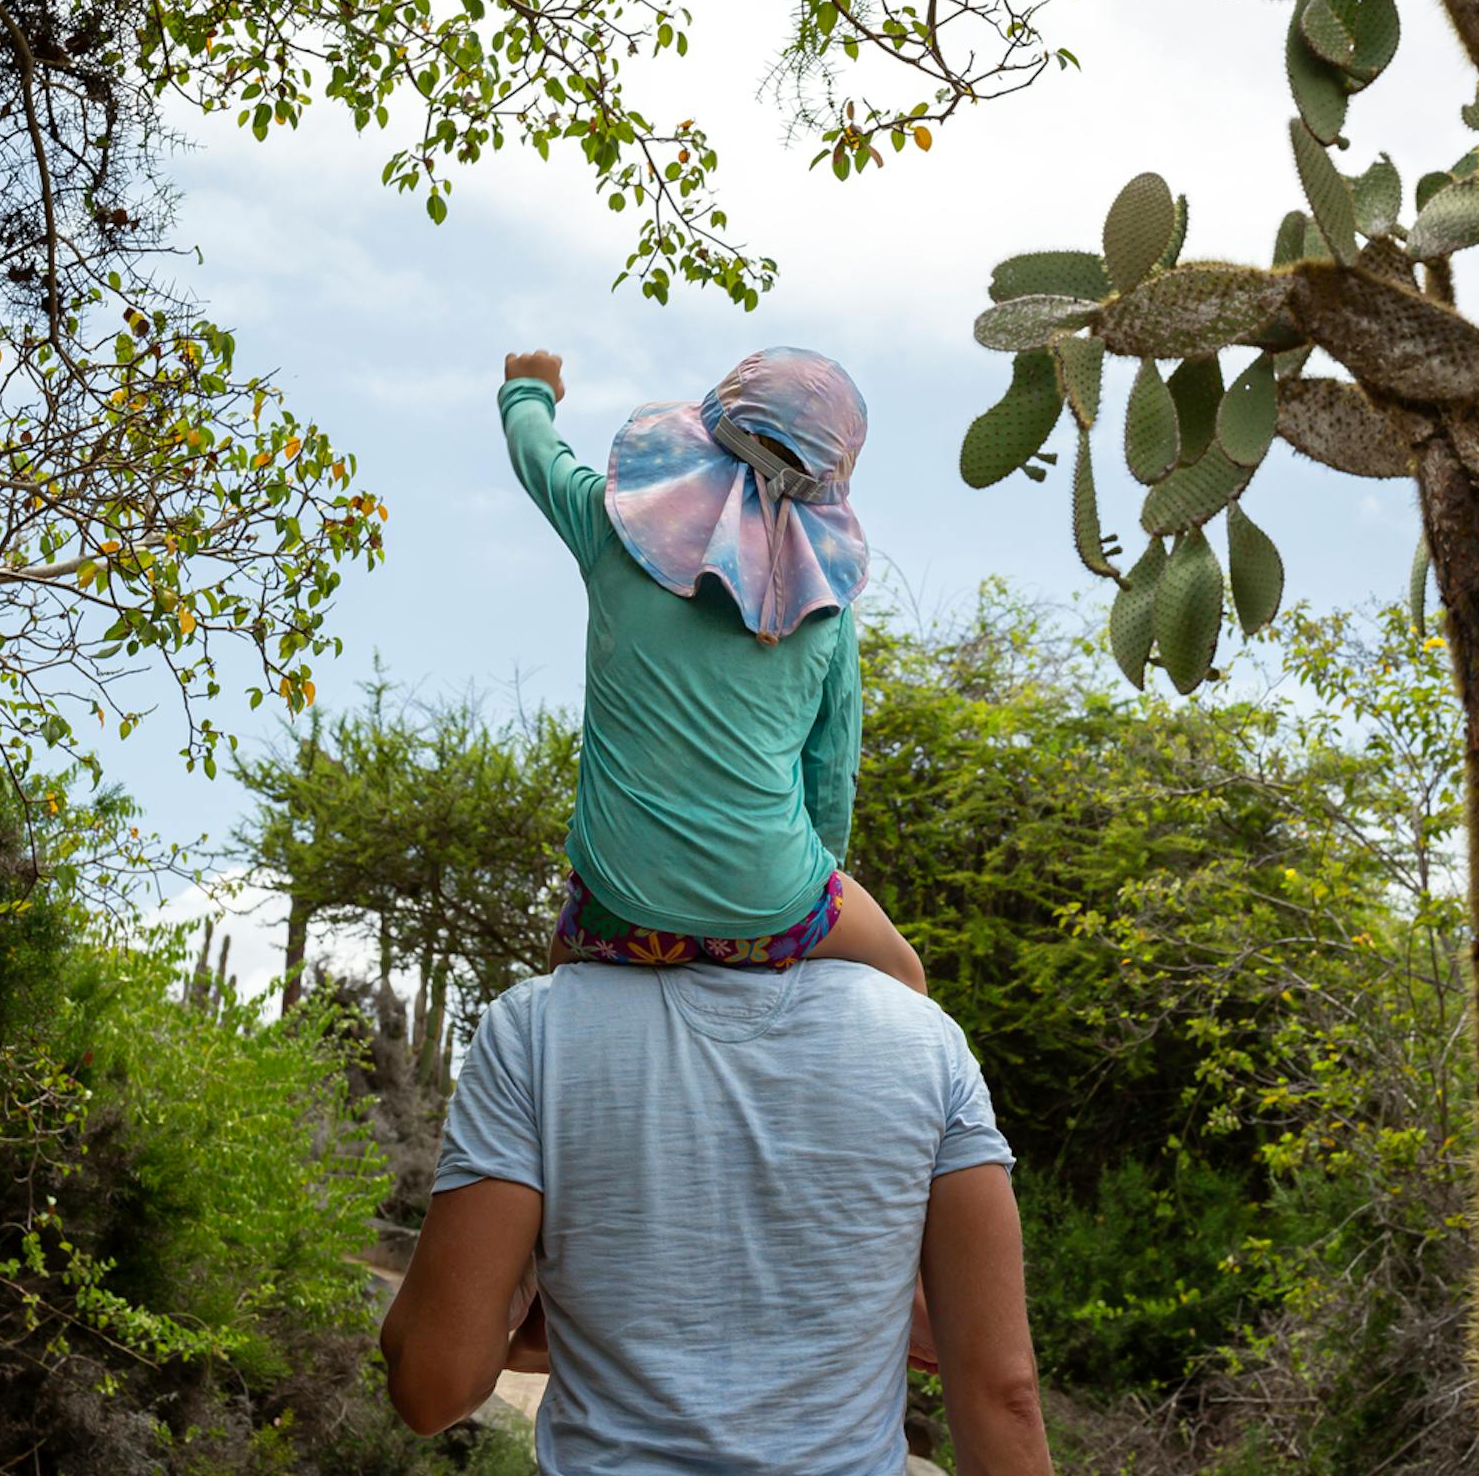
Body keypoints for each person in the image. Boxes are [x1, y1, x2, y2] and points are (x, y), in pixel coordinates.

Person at [376, 954, 1054, 1474]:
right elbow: (1006, 1398)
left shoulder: (538, 1026)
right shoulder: (927, 1041)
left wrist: (529, 1303)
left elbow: (432, 1388)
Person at [488, 346, 925, 989]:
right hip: (773, 909)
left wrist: (528, 390)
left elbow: (541, 461)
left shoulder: (609, 527)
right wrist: (813, 882)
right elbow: (833, 766)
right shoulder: (825, 602)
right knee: (905, 974)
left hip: (618, 901)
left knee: (553, 995)